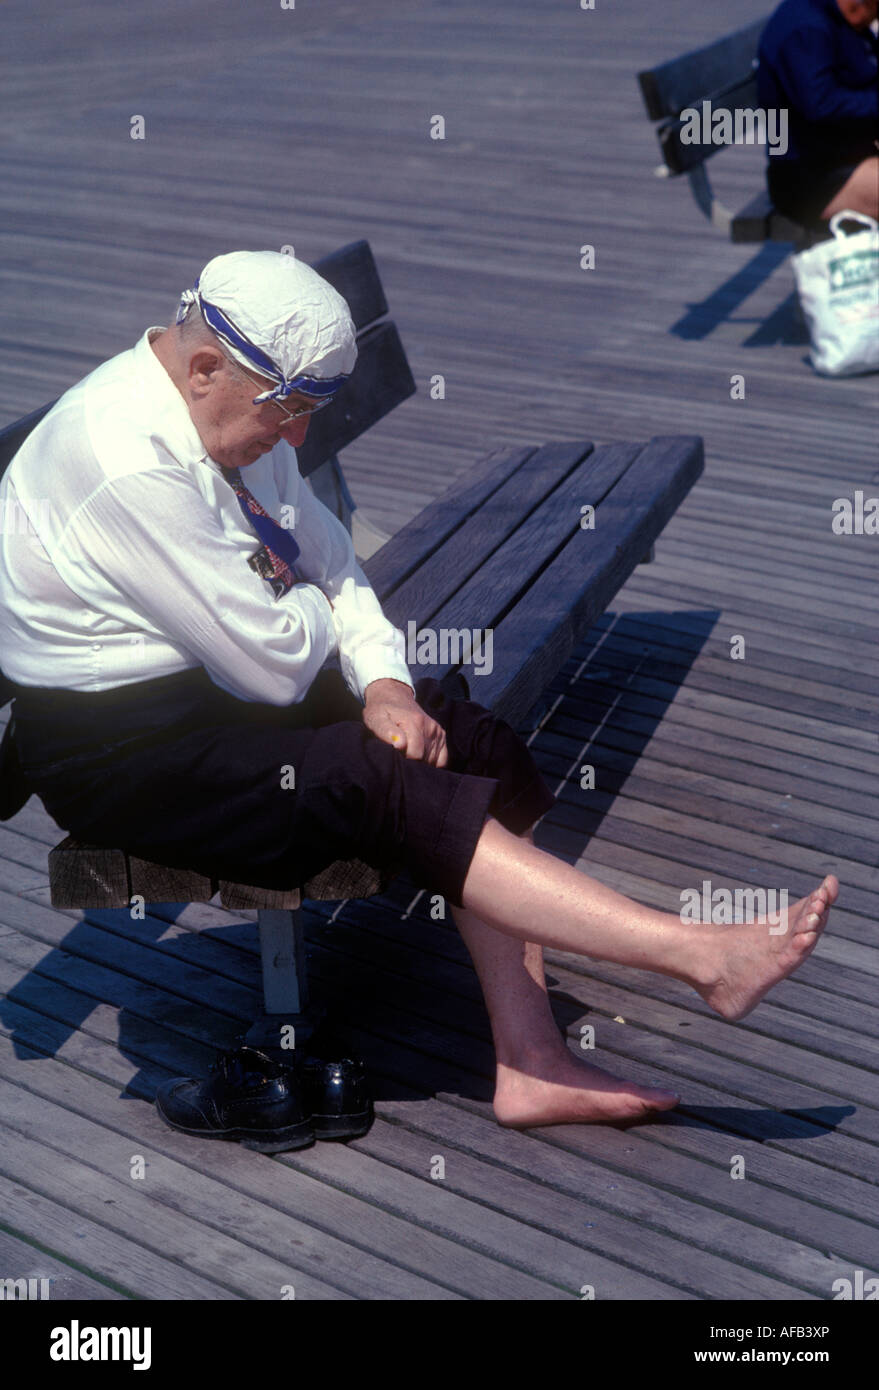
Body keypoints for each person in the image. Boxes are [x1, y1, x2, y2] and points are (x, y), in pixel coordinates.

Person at [0, 250, 838, 1150]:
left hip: (216, 685)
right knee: (377, 776)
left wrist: (389, 684)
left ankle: (532, 1062)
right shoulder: (128, 463)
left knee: (454, 735)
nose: (292, 442)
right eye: (287, 414)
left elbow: (327, 565)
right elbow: (275, 665)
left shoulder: (233, 410)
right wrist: (309, 604)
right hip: (122, 748)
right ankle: (696, 954)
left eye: (306, 418)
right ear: (205, 367)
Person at [758, 0, 879, 226]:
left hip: (849, 155)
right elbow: (821, 105)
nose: (874, 20)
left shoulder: (841, 19)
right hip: (811, 180)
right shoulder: (805, 28)